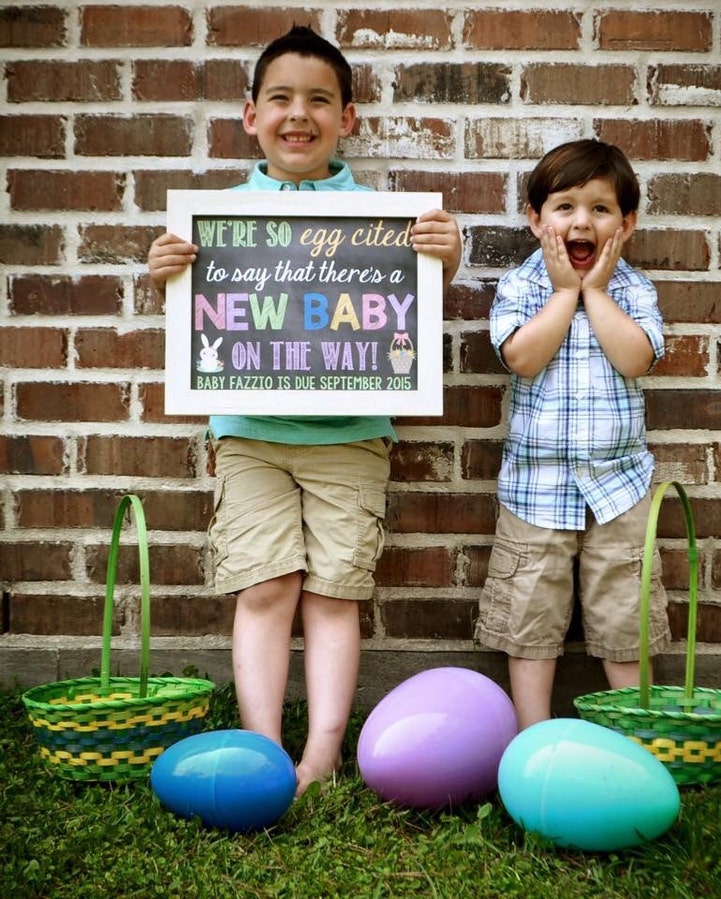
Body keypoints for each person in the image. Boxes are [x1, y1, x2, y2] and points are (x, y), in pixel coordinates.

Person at [148, 25, 462, 794]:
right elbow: (200, 313)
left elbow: (406, 307)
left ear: (347, 118)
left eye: (319, 100)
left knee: (333, 593)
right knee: (262, 587)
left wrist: (443, 258)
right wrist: (166, 273)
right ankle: (262, 751)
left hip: (350, 438)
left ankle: (320, 756)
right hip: (250, 435)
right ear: (249, 114)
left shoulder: (383, 215)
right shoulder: (214, 217)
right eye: (281, 98)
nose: (300, 114)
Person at [474, 139, 669, 730]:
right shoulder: (521, 287)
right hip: (536, 489)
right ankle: (532, 734)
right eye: (564, 206)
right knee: (531, 615)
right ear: (535, 220)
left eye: (600, 208)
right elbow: (522, 358)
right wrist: (565, 293)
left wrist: (597, 293)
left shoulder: (632, 289)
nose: (581, 221)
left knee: (623, 615)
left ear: (626, 224)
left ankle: (635, 733)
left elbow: (637, 359)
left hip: (620, 489)